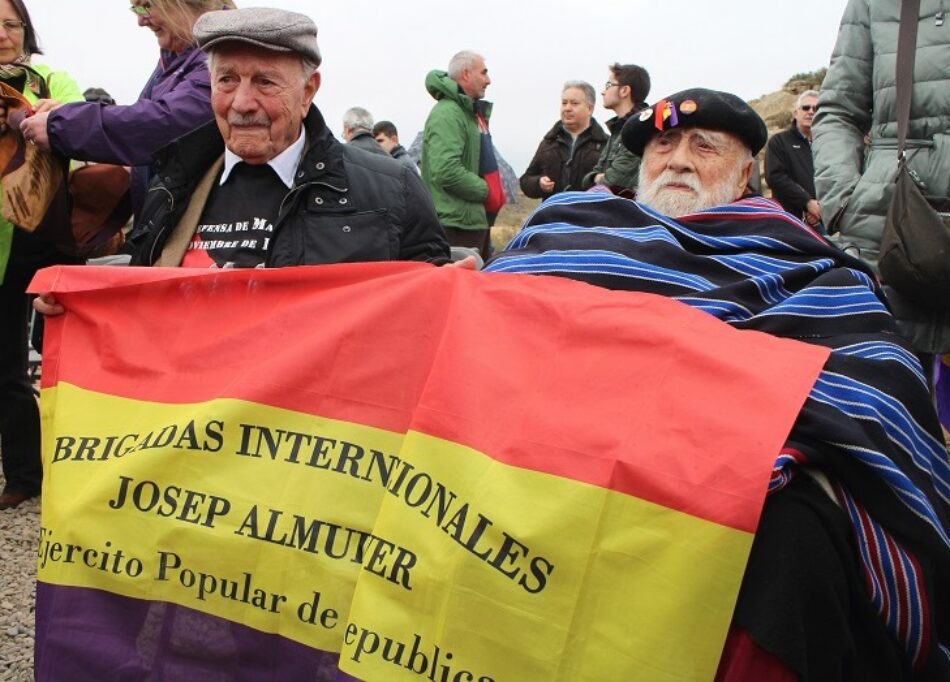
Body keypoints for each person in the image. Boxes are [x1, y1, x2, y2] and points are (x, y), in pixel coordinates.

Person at [485, 88, 950, 680]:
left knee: (797, 533)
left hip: (714, 459)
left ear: (746, 173)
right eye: (663, 144)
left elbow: (868, 379)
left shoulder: (799, 257)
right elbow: (487, 331)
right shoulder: (568, 222)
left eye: (704, 147)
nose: (677, 160)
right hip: (546, 440)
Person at [43, 7, 446, 271]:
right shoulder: (171, 186)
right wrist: (76, 304)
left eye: (265, 82)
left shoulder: (393, 190)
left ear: (308, 92)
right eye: (227, 80)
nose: (241, 103)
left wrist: (454, 288)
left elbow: (430, 324)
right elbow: (140, 302)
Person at [812, 0, 950, 358]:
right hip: (884, 238)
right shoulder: (873, 4)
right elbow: (839, 111)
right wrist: (843, 202)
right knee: (888, 397)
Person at [20, 0, 236, 219]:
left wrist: (61, 125)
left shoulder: (223, 54)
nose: (141, 21)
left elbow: (163, 126)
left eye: (146, 5)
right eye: (136, 8)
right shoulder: (176, 60)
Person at [0, 0, 83, 509]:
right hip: (3, 244)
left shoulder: (50, 76)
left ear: (25, 28)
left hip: (44, 235)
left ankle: (59, 470)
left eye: (10, 24)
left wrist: (29, 115)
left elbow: (80, 129)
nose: (3, 35)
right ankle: (26, 475)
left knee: (60, 357)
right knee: (7, 364)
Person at [421, 50, 505, 262]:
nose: (489, 80)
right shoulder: (448, 113)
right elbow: (446, 170)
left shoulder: (470, 114)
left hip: (471, 221)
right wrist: (487, 190)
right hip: (454, 225)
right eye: (483, 73)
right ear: (466, 75)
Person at [519, 80, 607, 199]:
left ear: (590, 109)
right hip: (554, 214)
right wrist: (539, 183)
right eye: (564, 103)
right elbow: (526, 180)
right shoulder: (549, 142)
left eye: (574, 103)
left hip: (589, 214)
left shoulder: (605, 143)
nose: (567, 108)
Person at [581, 62, 650, 191]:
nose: (603, 92)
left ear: (624, 91)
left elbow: (614, 181)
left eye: (608, 85)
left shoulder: (638, 130)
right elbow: (587, 180)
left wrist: (596, 178)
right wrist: (595, 177)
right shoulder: (617, 130)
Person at [765, 90, 821, 227]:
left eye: (816, 108)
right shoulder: (779, 142)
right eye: (806, 107)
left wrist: (821, 209)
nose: (811, 111)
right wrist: (807, 203)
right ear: (796, 113)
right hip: (789, 221)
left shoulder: (826, 145)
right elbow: (775, 177)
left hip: (822, 218)